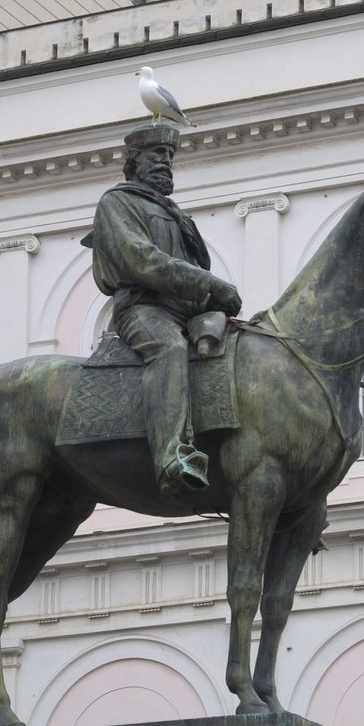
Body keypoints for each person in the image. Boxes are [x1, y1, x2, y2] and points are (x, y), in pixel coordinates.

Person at [81, 124, 242, 493]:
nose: (166, 164)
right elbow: (142, 260)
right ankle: (171, 457)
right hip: (145, 309)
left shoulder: (177, 214)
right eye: (157, 156)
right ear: (135, 162)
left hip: (189, 312)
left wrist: (212, 301)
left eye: (169, 157)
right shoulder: (117, 203)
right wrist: (209, 283)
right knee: (168, 349)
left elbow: (193, 270)